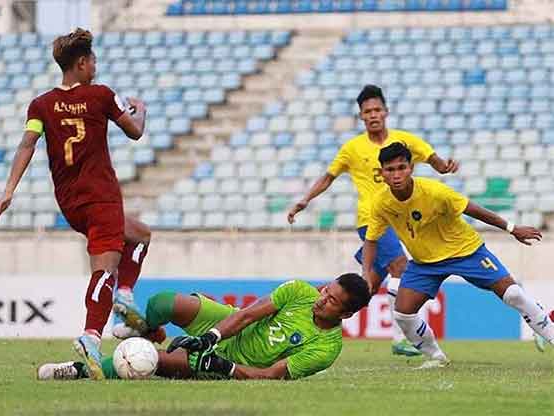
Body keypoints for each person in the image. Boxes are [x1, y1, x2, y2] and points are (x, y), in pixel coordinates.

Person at [0, 28, 153, 380]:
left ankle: (124, 295)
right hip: (101, 193)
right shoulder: (101, 96)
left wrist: (8, 190)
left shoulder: (41, 104)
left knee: (139, 235)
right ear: (81, 63)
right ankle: (91, 337)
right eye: (92, 60)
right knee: (105, 268)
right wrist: (140, 109)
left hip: (70, 201)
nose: (95, 65)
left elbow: (27, 145)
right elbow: (135, 131)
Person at [288, 85, 458, 356]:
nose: (373, 115)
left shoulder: (404, 141)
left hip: (401, 219)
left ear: (386, 112)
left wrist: (446, 166)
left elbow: (434, 161)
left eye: (377, 109)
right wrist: (305, 200)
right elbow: (329, 176)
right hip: (373, 220)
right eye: (367, 111)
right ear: (361, 117)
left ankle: (310, 324)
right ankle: (401, 338)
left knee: (364, 289)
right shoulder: (352, 148)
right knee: (401, 268)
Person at [362, 142, 554, 368]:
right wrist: (366, 273)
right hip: (424, 264)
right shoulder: (380, 203)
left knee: (513, 294)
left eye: (401, 167)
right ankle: (437, 358)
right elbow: (371, 240)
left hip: (466, 252)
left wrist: (512, 228)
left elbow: (473, 209)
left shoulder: (435, 192)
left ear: (411, 167)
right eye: (390, 169)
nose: (396, 174)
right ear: (381, 172)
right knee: (403, 315)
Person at [38, 273, 371, 380]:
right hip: (226, 323)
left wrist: (223, 366)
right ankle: (149, 328)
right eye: (326, 289)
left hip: (234, 361)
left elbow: (271, 376)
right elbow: (247, 315)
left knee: (144, 361)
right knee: (163, 303)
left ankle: (78, 370)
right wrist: (210, 336)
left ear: (345, 315)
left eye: (331, 301)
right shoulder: (301, 290)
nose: (321, 298)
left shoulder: (327, 348)